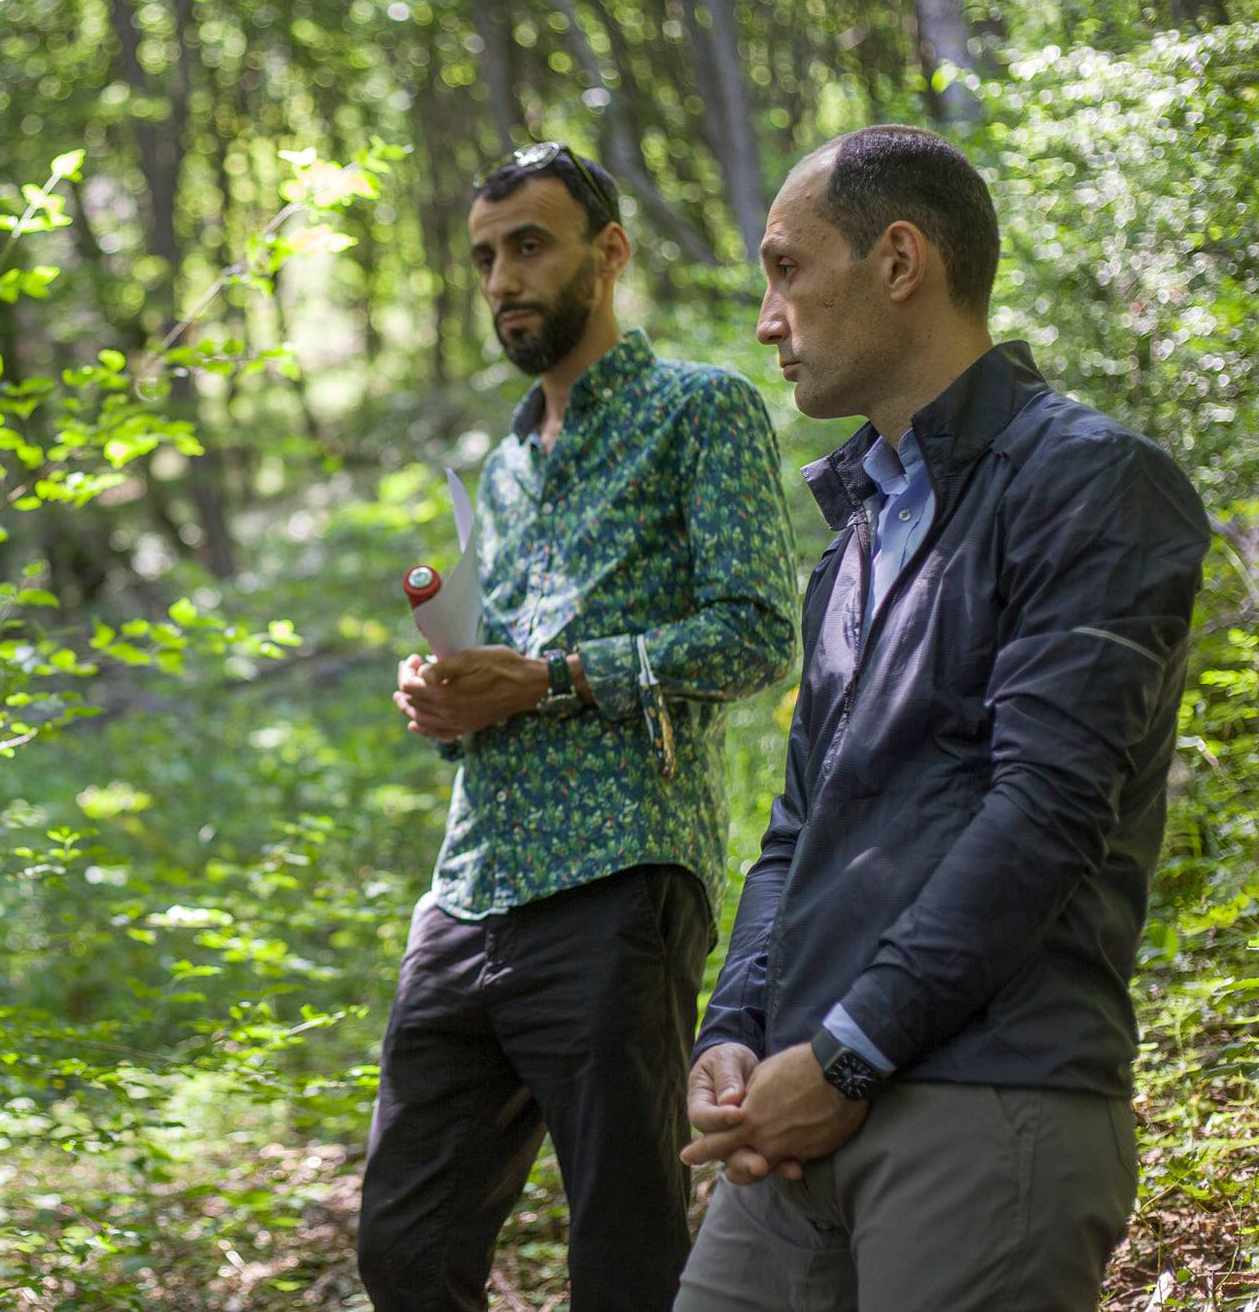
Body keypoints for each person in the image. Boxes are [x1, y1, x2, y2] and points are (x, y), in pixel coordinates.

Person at [675, 125, 1211, 1311]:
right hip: (796, 1114)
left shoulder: (1088, 481)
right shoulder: (852, 542)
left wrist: (850, 1053)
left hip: (985, 1093)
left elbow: (1045, 813)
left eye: (785, 269)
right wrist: (734, 1030)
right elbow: (796, 829)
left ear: (898, 260)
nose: (765, 320)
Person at [362, 142, 795, 1312]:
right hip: (466, 890)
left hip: (618, 879)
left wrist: (549, 679)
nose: (501, 279)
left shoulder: (697, 410)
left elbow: (756, 633)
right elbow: (499, 672)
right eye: (482, 258)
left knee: (624, 1253)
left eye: (528, 247)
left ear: (607, 254)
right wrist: (447, 697)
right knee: (403, 1248)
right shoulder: (500, 467)